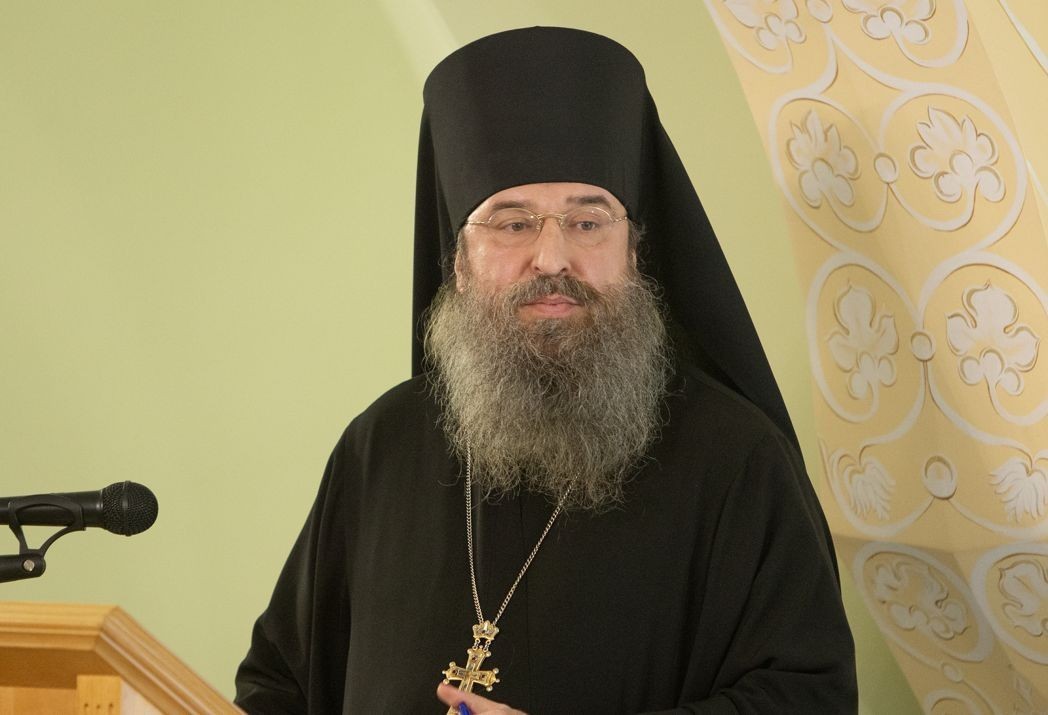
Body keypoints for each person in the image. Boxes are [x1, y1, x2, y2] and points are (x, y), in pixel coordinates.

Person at [235, 27, 857, 714]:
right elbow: (277, 683)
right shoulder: (381, 444)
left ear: (633, 251)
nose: (553, 258)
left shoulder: (736, 458)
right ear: (459, 261)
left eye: (588, 223)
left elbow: (809, 697)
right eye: (512, 224)